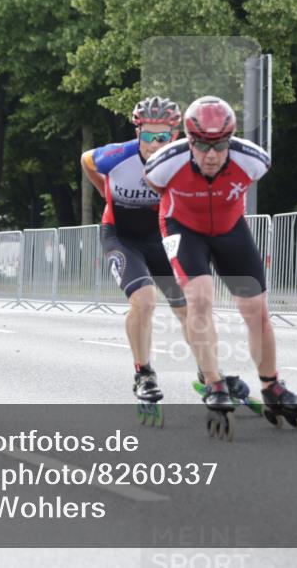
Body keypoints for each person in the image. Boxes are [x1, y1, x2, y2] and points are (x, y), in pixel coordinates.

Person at [144, 95, 297, 435]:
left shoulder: (254, 160)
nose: (212, 155)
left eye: (220, 145)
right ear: (189, 140)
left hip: (230, 229)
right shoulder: (164, 163)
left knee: (257, 310)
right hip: (182, 228)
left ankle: (272, 386)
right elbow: (157, 190)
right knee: (199, 299)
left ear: (230, 139)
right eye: (203, 146)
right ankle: (214, 383)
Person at [81, 96, 191, 417]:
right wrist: (105, 189)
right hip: (122, 236)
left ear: (175, 136)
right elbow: (87, 159)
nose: (155, 145)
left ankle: (207, 370)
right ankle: (143, 373)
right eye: (148, 136)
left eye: (164, 137)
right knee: (144, 302)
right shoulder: (119, 156)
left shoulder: (185, 159)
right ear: (137, 132)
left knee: (189, 306)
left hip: (161, 237)